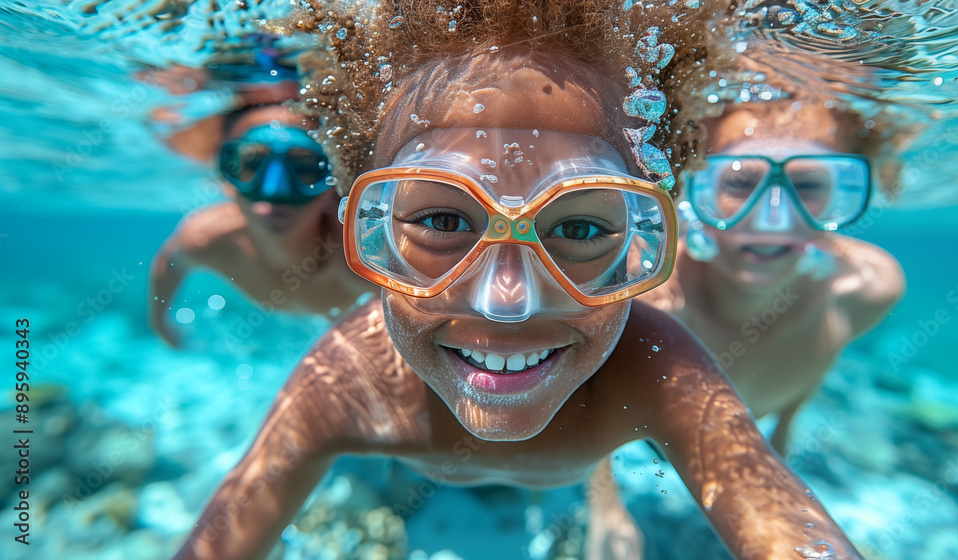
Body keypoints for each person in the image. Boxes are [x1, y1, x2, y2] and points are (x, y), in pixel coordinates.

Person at [171, 2, 866, 559]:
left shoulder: (651, 369)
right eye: (443, 220)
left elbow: (784, 521)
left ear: (646, 238)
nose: (509, 300)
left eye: (582, 229)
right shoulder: (348, 380)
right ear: (368, 229)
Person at [639, 99, 906, 455]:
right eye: (739, 182)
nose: (772, 222)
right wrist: (605, 505)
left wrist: (784, 429)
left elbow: (816, 358)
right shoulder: (649, 304)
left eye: (808, 185)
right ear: (690, 190)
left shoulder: (867, 288)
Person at [145, 48, 372, 347]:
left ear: (332, 183)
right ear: (226, 178)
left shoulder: (362, 261)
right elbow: (168, 262)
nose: (274, 190)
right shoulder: (206, 237)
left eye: (303, 167)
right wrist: (161, 324)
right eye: (252, 165)